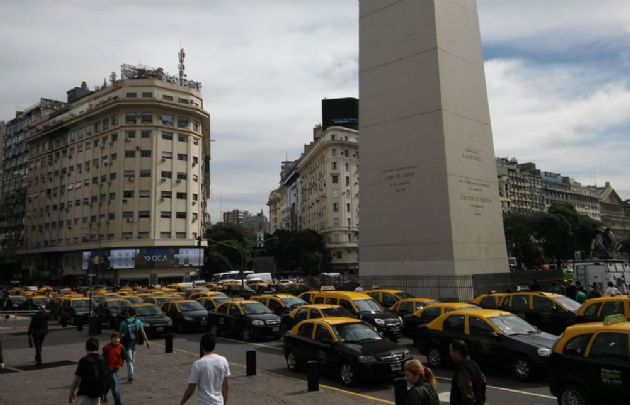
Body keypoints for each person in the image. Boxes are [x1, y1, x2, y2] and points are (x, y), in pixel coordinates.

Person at [180, 333, 230, 405]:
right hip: (219, 402)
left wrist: (182, 402)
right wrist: (224, 402)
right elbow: (225, 385)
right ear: (214, 345)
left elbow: (191, 389)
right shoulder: (223, 360)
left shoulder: (198, 364)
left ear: (202, 346)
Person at [69, 337, 109, 405]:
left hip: (84, 392)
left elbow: (76, 379)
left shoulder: (84, 360)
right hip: (97, 392)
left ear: (86, 348)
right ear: (97, 348)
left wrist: (71, 392)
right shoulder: (102, 360)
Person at [449, 339, 486, 405]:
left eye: (451, 350)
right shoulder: (474, 364)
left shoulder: (462, 369)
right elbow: (483, 381)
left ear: (457, 352)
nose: (450, 353)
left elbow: (467, 396)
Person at [118, 306, 150, 382]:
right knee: (132, 360)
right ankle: (131, 374)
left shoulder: (124, 323)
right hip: (135, 342)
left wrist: (117, 340)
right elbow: (142, 332)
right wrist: (147, 342)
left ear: (128, 313)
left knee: (129, 360)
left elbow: (120, 334)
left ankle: (131, 375)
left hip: (127, 343)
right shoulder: (138, 321)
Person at [102, 333, 128, 405]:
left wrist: (124, 361)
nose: (116, 340)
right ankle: (117, 401)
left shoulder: (121, 347)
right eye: (114, 338)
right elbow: (103, 359)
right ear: (111, 339)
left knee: (109, 384)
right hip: (108, 369)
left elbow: (125, 355)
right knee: (114, 383)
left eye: (118, 338)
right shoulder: (106, 347)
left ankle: (103, 393)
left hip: (116, 368)